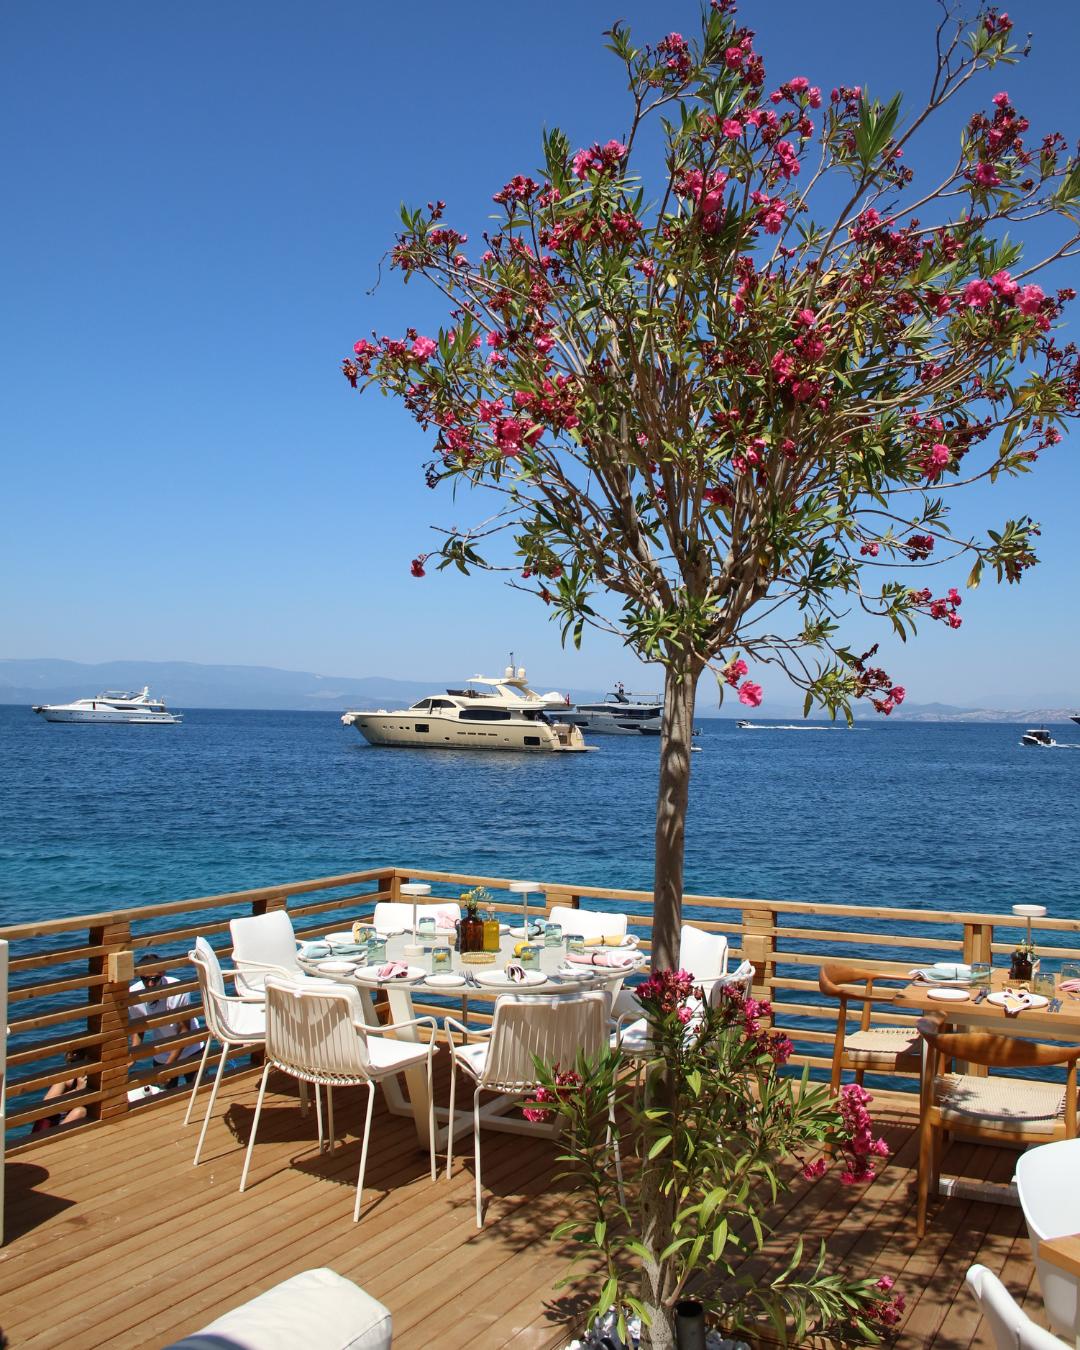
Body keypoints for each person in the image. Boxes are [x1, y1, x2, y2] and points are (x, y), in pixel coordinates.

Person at [129, 953, 203, 1086]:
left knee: (200, 1090)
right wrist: (133, 1056)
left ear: (163, 973)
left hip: (192, 1049)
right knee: (167, 1093)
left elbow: (184, 1030)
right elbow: (139, 1029)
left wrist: (169, 1067)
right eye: (145, 979)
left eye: (155, 979)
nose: (150, 984)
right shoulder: (133, 994)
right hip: (162, 1052)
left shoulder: (178, 989)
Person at [31, 1048, 91, 1134]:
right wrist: (77, 1090)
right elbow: (47, 1104)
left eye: (79, 1052)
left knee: (80, 1111)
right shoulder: (67, 1078)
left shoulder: (94, 1075)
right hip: (52, 1124)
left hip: (70, 1124)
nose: (74, 1055)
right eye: (74, 1052)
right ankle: (53, 1137)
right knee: (80, 1111)